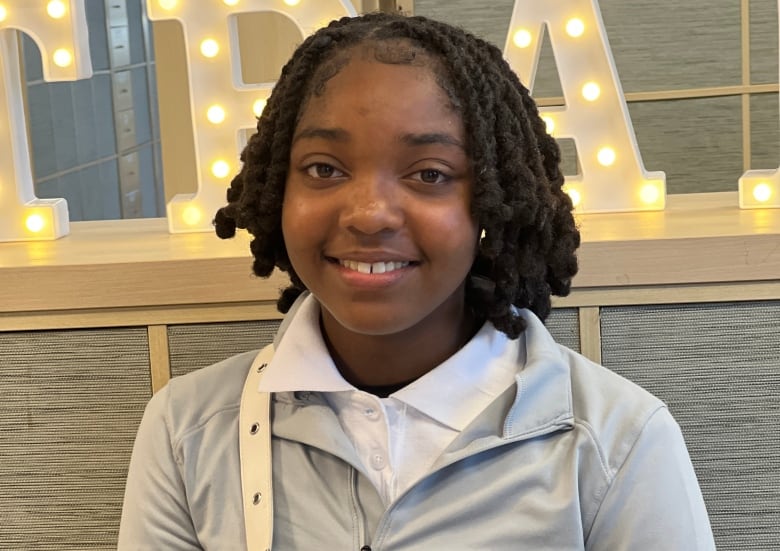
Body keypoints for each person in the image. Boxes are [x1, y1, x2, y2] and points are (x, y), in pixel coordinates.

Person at [118, 12, 715, 550]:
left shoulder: (617, 442)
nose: (369, 213)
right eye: (324, 169)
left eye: (430, 173)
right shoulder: (186, 432)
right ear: (277, 189)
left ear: (492, 202)